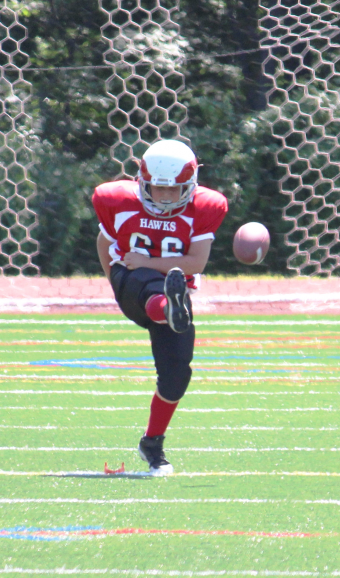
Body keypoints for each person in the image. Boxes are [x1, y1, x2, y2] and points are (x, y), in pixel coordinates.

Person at [93, 139, 228, 475]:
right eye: (158, 189)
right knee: (149, 281)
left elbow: (196, 263)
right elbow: (104, 241)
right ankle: (165, 303)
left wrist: (150, 262)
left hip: (170, 286)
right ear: (143, 182)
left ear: (191, 185)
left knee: (176, 374)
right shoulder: (117, 200)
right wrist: (116, 279)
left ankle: (152, 442)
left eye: (175, 190)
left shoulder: (205, 207)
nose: (166, 197)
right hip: (132, 281)